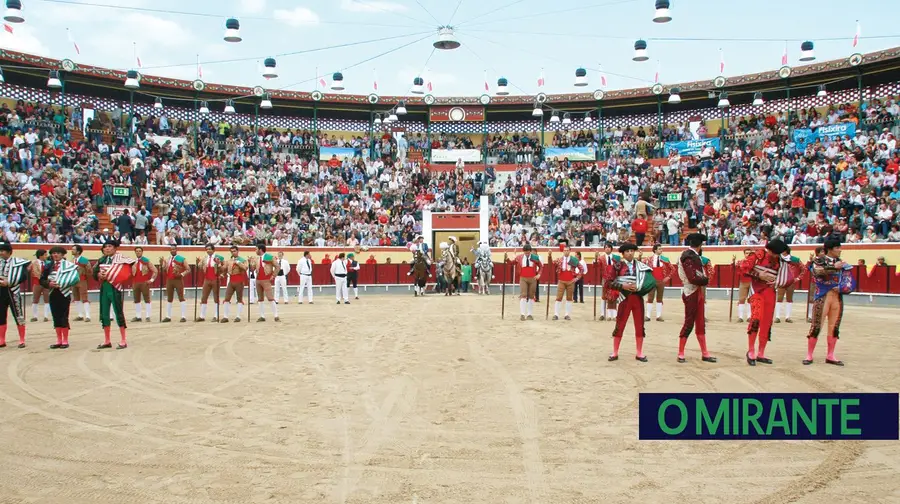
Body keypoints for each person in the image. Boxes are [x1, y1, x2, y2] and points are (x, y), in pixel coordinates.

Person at [739, 239, 793, 366]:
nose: (776, 256)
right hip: (756, 291)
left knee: (767, 322)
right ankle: (751, 351)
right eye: (775, 253)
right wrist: (759, 275)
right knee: (756, 319)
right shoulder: (758, 255)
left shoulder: (780, 260)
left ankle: (761, 353)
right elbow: (743, 268)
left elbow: (787, 277)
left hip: (770, 292)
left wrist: (778, 282)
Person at [806, 238, 855, 366]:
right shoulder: (819, 260)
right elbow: (817, 272)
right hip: (822, 296)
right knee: (816, 326)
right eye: (837, 248)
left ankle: (830, 355)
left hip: (837, 296)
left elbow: (849, 280)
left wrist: (843, 288)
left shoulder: (842, 263)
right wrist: (834, 267)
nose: (840, 250)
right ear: (830, 249)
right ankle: (809, 355)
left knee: (834, 327)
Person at [606, 243, 655, 362]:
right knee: (620, 324)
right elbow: (609, 282)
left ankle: (639, 353)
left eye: (632, 251)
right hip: (624, 298)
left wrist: (640, 288)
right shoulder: (617, 266)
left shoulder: (641, 266)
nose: (630, 253)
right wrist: (623, 285)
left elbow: (649, 281)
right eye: (627, 251)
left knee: (639, 325)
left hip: (637, 297)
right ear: (623, 254)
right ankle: (615, 352)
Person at [676, 233, 716, 363]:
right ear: (700, 245)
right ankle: (681, 353)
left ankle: (705, 353)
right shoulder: (689, 257)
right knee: (690, 321)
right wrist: (705, 280)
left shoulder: (690, 256)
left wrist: (702, 280)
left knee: (699, 322)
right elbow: (693, 277)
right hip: (691, 291)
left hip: (695, 291)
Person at [94, 239, 135, 350]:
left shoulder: (121, 258)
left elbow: (127, 272)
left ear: (115, 248)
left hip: (115, 288)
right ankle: (107, 340)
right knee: (104, 313)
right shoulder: (102, 259)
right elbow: (94, 274)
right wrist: (98, 274)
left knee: (118, 312)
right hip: (104, 287)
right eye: (105, 246)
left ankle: (123, 340)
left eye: (110, 246)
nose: (107, 248)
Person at [40, 246, 79, 349]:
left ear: (62, 254)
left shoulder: (69, 265)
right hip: (53, 292)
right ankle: (59, 340)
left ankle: (65, 340)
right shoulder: (48, 266)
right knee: (55, 316)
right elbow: (42, 280)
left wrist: (63, 284)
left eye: (57, 253)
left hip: (64, 293)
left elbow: (74, 279)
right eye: (53, 253)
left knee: (64, 315)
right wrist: (49, 284)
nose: (55, 255)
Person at [0, 241, 30, 348]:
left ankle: (22, 339)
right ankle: (1, 339)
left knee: (18, 314)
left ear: (9, 252)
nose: (0, 253)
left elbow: (23, 277)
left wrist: (10, 282)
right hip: (1, 292)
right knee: (1, 316)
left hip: (13, 291)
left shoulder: (18, 263)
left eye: (2, 251)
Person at [774, 246, 805, 324]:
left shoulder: (795, 259)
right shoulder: (778, 259)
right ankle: (777, 317)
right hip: (782, 281)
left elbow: (804, 269)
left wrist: (798, 278)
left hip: (791, 282)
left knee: (789, 298)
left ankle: (788, 317)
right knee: (779, 298)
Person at [553, 241, 582, 321]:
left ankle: (567, 314)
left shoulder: (574, 260)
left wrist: (577, 278)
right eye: (564, 250)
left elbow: (581, 269)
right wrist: (549, 256)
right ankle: (556, 314)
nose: (566, 251)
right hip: (561, 281)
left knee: (569, 298)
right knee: (558, 298)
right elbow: (551, 263)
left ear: (570, 251)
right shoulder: (559, 259)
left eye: (567, 250)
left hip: (570, 281)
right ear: (563, 251)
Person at [644, 243, 673, 322]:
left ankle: (658, 316)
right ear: (655, 250)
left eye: (661, 249)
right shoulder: (648, 259)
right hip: (652, 281)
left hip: (661, 281)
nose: (661, 250)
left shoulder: (665, 259)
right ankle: (648, 315)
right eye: (659, 249)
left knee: (659, 298)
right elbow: (641, 264)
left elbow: (673, 269)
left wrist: (668, 277)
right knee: (650, 298)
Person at [195, 244, 223, 322]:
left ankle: (216, 315)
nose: (208, 250)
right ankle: (202, 316)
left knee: (216, 298)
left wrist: (218, 264)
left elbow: (222, 268)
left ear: (213, 250)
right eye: (207, 249)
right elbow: (200, 267)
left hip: (215, 279)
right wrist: (197, 263)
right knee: (204, 297)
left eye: (209, 249)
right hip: (207, 279)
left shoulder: (218, 258)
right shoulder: (205, 258)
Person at [221, 245, 248, 323]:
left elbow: (246, 268)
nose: (233, 253)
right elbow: (224, 269)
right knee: (226, 298)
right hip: (231, 280)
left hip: (239, 280)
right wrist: (219, 264)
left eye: (234, 251)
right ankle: (225, 316)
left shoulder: (242, 260)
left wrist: (238, 262)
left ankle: (238, 316)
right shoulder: (229, 261)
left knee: (239, 299)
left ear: (237, 251)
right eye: (231, 251)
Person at [252, 244, 279, 322]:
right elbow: (253, 269)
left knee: (270, 297)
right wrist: (250, 263)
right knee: (260, 299)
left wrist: (273, 275)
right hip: (258, 280)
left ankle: (276, 315)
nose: (255, 251)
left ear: (260, 250)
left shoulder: (270, 257)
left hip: (266, 279)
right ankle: (262, 316)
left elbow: (277, 266)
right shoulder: (256, 259)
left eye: (256, 249)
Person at [515, 243, 542, 321]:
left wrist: (539, 274)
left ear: (530, 251)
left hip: (533, 278)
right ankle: (522, 314)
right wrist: (506, 259)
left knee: (531, 296)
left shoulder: (535, 257)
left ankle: (529, 314)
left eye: (528, 252)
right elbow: (512, 262)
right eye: (525, 252)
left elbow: (541, 266)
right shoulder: (520, 257)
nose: (526, 254)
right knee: (523, 295)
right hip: (523, 278)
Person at [131, 246, 157, 322]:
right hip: (135, 282)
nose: (138, 252)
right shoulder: (133, 261)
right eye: (137, 251)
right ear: (135, 252)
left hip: (144, 282)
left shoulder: (146, 261)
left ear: (142, 252)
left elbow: (155, 270)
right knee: (136, 300)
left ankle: (148, 316)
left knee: (147, 299)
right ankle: (138, 316)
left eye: (139, 251)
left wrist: (151, 280)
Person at [163, 244, 188, 323]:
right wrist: (162, 265)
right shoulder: (168, 259)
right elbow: (164, 270)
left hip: (178, 280)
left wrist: (181, 274)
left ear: (176, 250)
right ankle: (168, 316)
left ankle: (183, 316)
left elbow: (188, 269)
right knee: (169, 298)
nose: (172, 250)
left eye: (174, 249)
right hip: (169, 280)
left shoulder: (181, 259)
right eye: (171, 249)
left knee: (181, 297)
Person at [71, 245, 92, 322]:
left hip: (82, 280)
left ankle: (87, 316)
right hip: (74, 281)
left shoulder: (84, 260)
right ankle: (80, 315)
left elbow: (89, 271)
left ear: (78, 251)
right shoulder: (72, 260)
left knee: (84, 297)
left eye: (73, 249)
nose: (72, 251)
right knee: (76, 298)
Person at [599, 243, 619, 321]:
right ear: (604, 249)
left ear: (611, 249)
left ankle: (614, 315)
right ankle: (602, 314)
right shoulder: (601, 258)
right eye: (606, 247)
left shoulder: (616, 258)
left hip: (614, 279)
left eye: (608, 247)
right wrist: (595, 258)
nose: (607, 249)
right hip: (605, 279)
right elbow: (596, 266)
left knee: (614, 296)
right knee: (604, 296)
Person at [30, 249, 50, 322]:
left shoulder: (47, 263)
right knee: (35, 300)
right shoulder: (34, 263)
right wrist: (44, 278)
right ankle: (35, 316)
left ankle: (46, 316)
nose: (46, 256)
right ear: (41, 255)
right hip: (37, 283)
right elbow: (35, 273)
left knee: (47, 300)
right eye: (45, 255)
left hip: (46, 284)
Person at [806, 247, 825, 322]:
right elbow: (807, 268)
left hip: (823, 282)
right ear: (817, 253)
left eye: (823, 251)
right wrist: (810, 260)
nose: (823, 253)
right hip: (814, 281)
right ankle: (810, 315)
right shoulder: (814, 261)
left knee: (821, 299)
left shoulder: (826, 260)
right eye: (821, 252)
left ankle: (818, 315)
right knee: (812, 298)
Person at [734, 249, 754, 323]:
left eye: (749, 253)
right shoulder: (740, 262)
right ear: (744, 254)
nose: (748, 254)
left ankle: (749, 316)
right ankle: (741, 317)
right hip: (743, 282)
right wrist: (733, 263)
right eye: (746, 253)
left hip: (752, 283)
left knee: (750, 300)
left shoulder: (755, 263)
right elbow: (734, 270)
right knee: (741, 299)